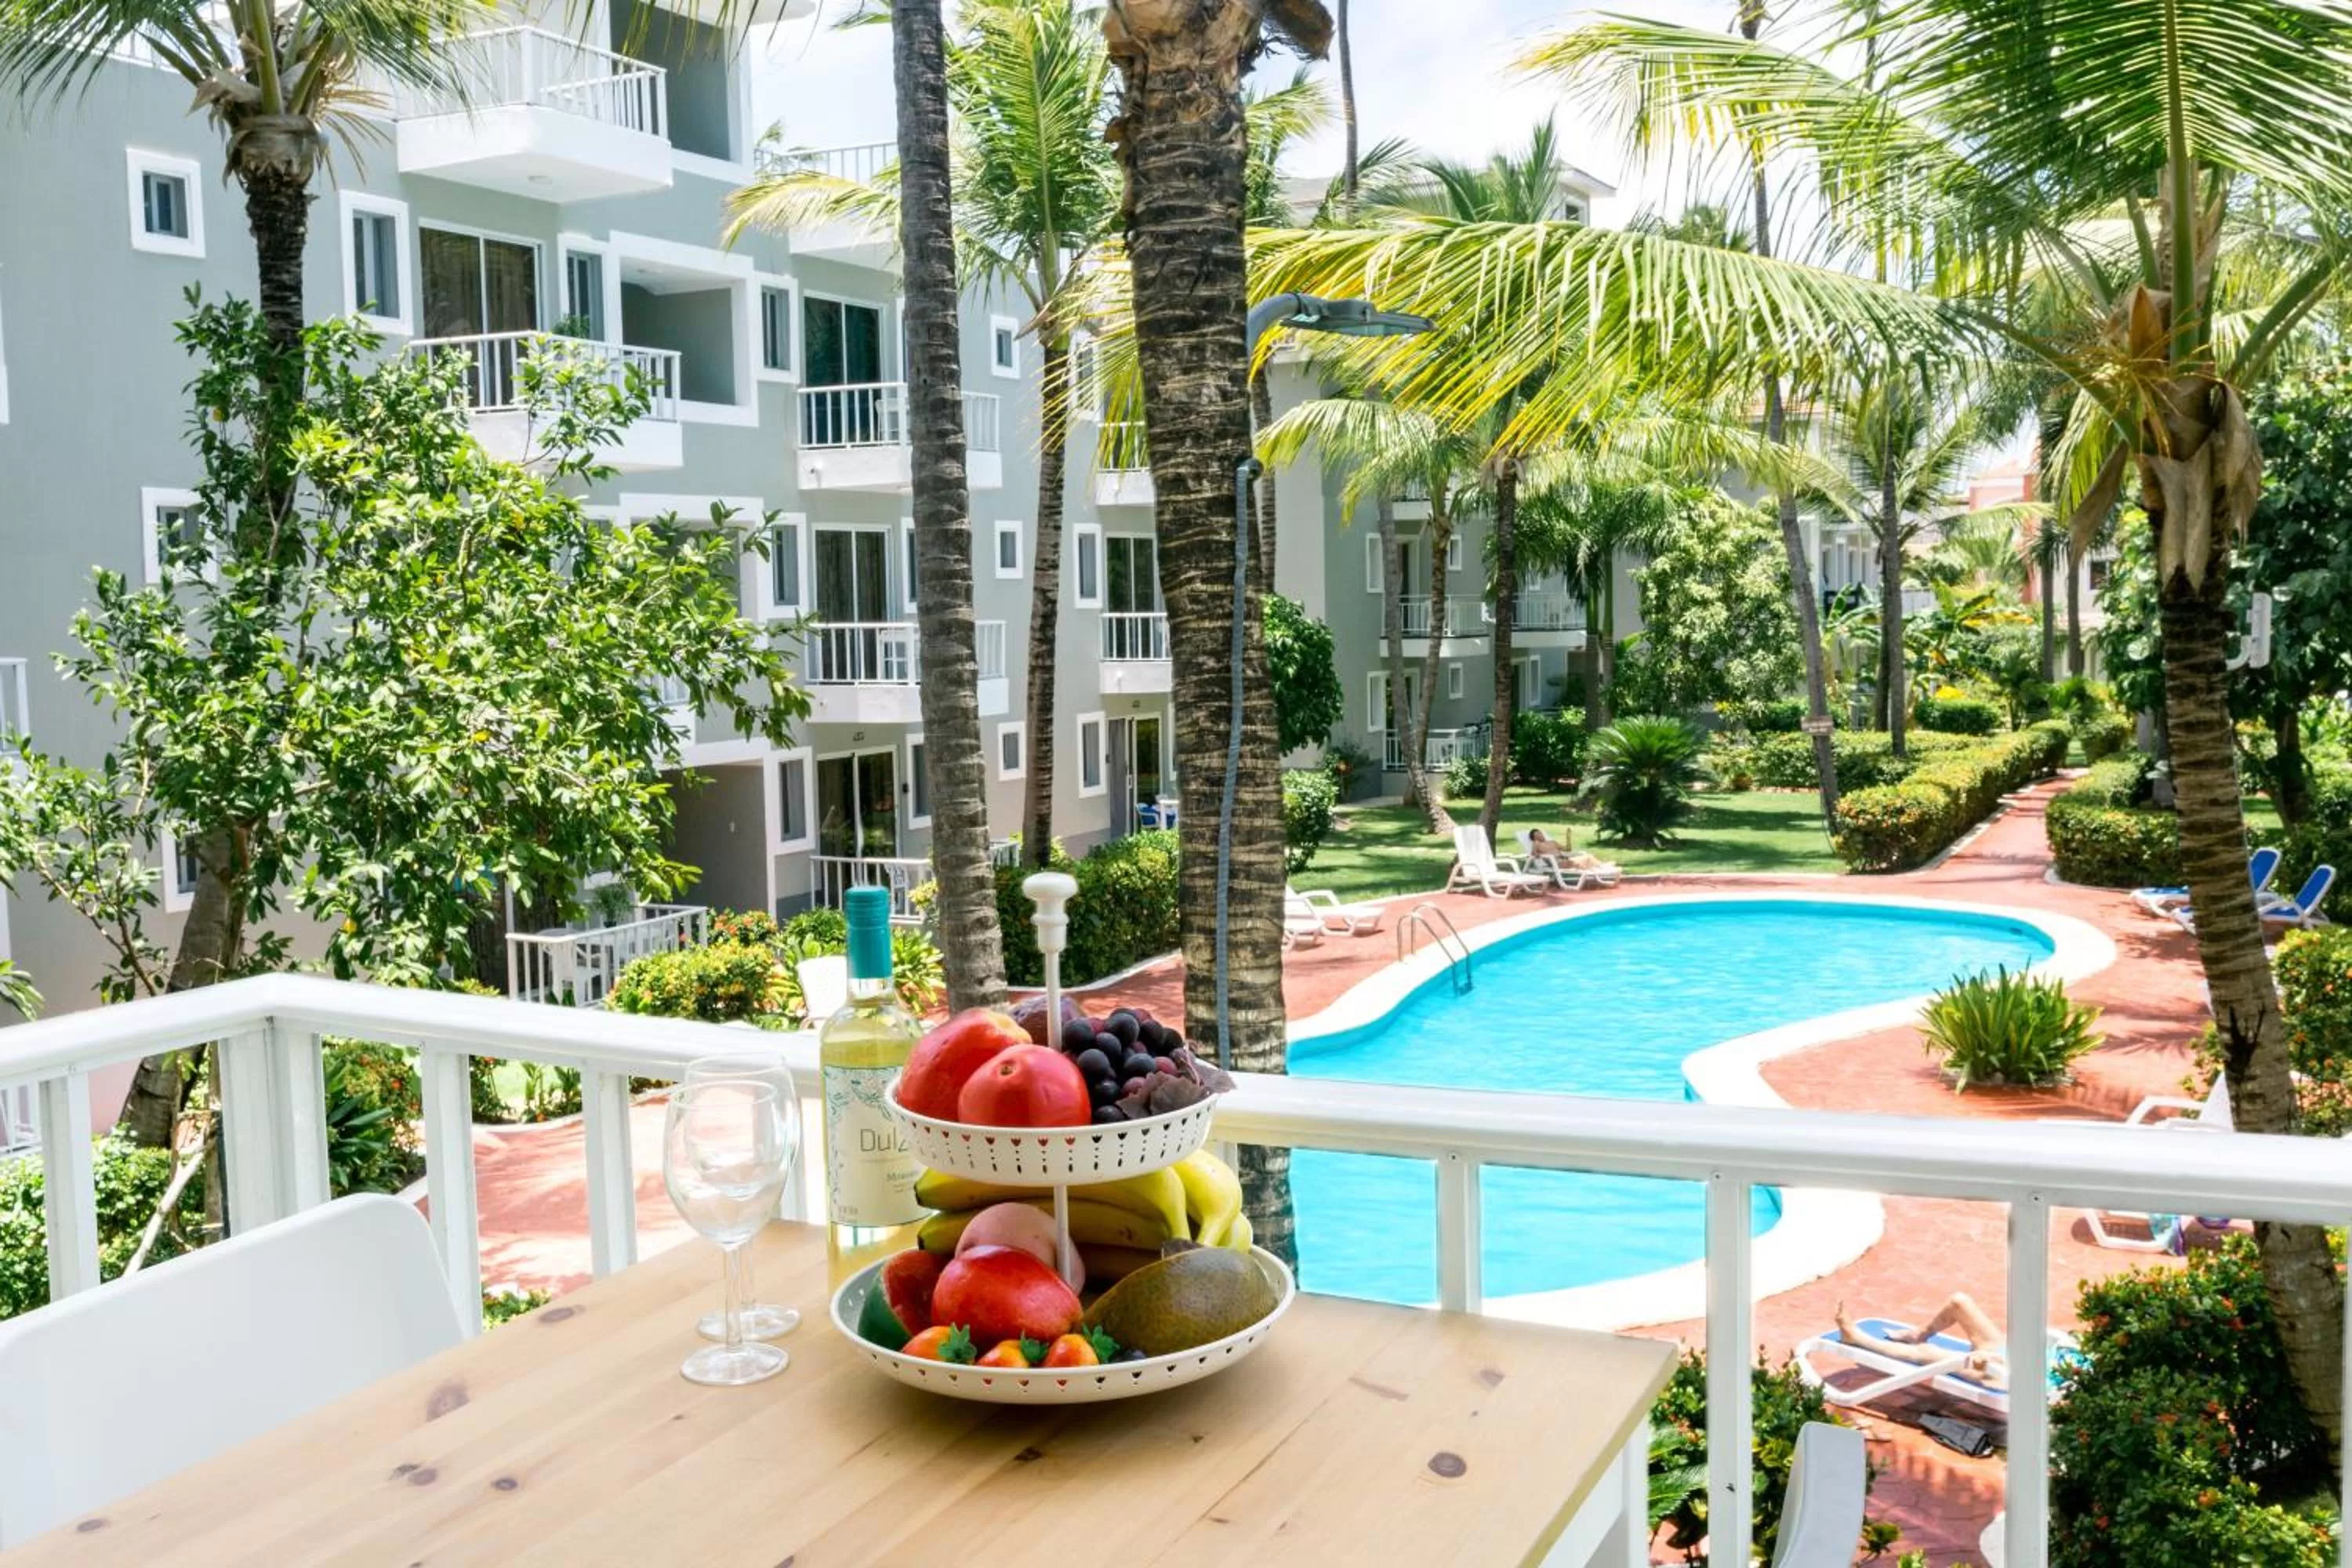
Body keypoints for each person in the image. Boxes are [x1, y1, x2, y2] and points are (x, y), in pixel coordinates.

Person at [1836, 1293, 2005, 1382]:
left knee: (1928, 1352)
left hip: (2003, 1377)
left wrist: (1990, 1358)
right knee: (1959, 1302)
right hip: (2005, 1354)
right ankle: (1918, 1335)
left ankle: (1855, 1337)